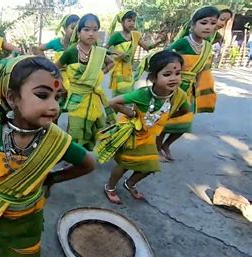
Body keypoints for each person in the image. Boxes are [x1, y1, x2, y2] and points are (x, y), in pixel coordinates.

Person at [0, 56, 96, 257]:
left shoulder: (56, 141)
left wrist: (53, 178)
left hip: (27, 222)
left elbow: (88, 163)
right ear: (12, 98)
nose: (54, 106)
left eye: (57, 98)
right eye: (42, 95)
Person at [103, 50, 189, 204]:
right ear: (154, 78)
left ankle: (130, 183)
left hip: (150, 136)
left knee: (150, 166)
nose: (174, 78)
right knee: (124, 164)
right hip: (133, 135)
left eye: (178, 73)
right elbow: (112, 102)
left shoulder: (179, 95)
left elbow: (185, 110)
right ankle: (110, 187)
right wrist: (131, 114)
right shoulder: (143, 95)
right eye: (167, 74)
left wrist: (164, 117)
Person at [158, 6, 219, 161]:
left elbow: (203, 70)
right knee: (165, 119)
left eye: (213, 23)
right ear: (193, 25)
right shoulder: (184, 42)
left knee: (185, 122)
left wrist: (199, 89)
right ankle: (157, 147)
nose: (208, 27)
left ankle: (166, 145)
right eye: (204, 22)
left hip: (190, 89)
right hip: (173, 87)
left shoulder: (207, 47)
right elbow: (164, 58)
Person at [56, 13, 115, 151]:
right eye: (87, 29)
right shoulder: (70, 52)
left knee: (92, 128)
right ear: (79, 31)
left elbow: (111, 63)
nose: (91, 33)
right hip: (76, 97)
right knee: (75, 130)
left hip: (93, 98)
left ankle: (82, 153)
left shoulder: (99, 52)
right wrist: (62, 84)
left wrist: (100, 73)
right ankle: (73, 154)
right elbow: (54, 68)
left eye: (95, 30)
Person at [107, 10, 166, 96]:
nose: (132, 23)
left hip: (129, 69)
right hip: (117, 70)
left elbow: (147, 47)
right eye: (129, 20)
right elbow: (105, 50)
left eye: (134, 21)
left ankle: (118, 106)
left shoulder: (136, 35)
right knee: (120, 94)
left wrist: (158, 41)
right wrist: (118, 53)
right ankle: (115, 106)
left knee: (126, 94)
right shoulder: (116, 36)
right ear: (122, 22)